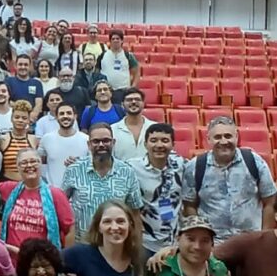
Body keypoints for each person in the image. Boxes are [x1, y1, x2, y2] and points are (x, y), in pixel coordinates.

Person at [181, 116, 277, 244]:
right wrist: (200, 238)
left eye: (228, 136)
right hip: (213, 243)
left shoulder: (254, 161)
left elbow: (270, 201)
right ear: (208, 139)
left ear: (236, 137)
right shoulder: (195, 166)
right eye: (217, 137)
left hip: (251, 241)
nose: (223, 141)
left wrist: (264, 238)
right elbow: (189, 205)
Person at [61, 124, 143, 242]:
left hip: (117, 244)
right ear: (89, 144)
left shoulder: (127, 172)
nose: (101, 145)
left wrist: (136, 243)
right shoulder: (74, 170)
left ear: (113, 142)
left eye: (106, 140)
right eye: (96, 141)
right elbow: (61, 206)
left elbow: (135, 213)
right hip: (82, 243)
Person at [127, 124, 187, 258]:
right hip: (145, 242)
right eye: (153, 140)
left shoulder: (182, 164)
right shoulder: (132, 167)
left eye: (165, 140)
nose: (159, 145)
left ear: (173, 145)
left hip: (174, 243)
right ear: (145, 144)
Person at [0, 149, 74, 251]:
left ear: (41, 164)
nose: (29, 165)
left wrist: (66, 257)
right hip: (11, 258)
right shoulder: (9, 188)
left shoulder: (56, 194)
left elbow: (70, 229)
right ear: (18, 167)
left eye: (33, 161)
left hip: (42, 258)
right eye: (24, 163)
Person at [39, 104, 89, 189]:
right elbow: (40, 162)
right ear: (56, 117)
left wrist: (80, 163)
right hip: (54, 191)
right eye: (62, 113)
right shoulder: (46, 139)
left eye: (69, 113)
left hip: (80, 191)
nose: (65, 116)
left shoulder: (86, 139)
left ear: (75, 116)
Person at [0, 100, 39, 182]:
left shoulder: (33, 140)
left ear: (28, 120)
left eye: (24, 118)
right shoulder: (3, 139)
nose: (20, 120)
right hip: (7, 183)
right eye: (17, 117)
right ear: (11, 118)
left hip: (29, 183)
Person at [111, 88, 156, 161]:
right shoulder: (112, 130)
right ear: (122, 105)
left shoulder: (155, 128)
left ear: (143, 103)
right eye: (129, 100)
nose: (133, 102)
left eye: (137, 99)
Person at [97, 30, 140, 103]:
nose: (115, 40)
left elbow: (136, 73)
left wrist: (132, 88)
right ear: (110, 41)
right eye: (113, 39)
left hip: (123, 90)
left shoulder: (128, 56)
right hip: (106, 91)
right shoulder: (103, 55)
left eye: (117, 38)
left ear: (122, 41)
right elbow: (96, 72)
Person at [5, 54, 44, 124]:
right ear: (15, 66)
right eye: (20, 64)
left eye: (26, 65)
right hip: (12, 120)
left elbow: (39, 104)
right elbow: (7, 101)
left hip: (31, 122)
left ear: (30, 66)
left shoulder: (37, 83)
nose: (23, 67)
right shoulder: (8, 81)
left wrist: (30, 118)